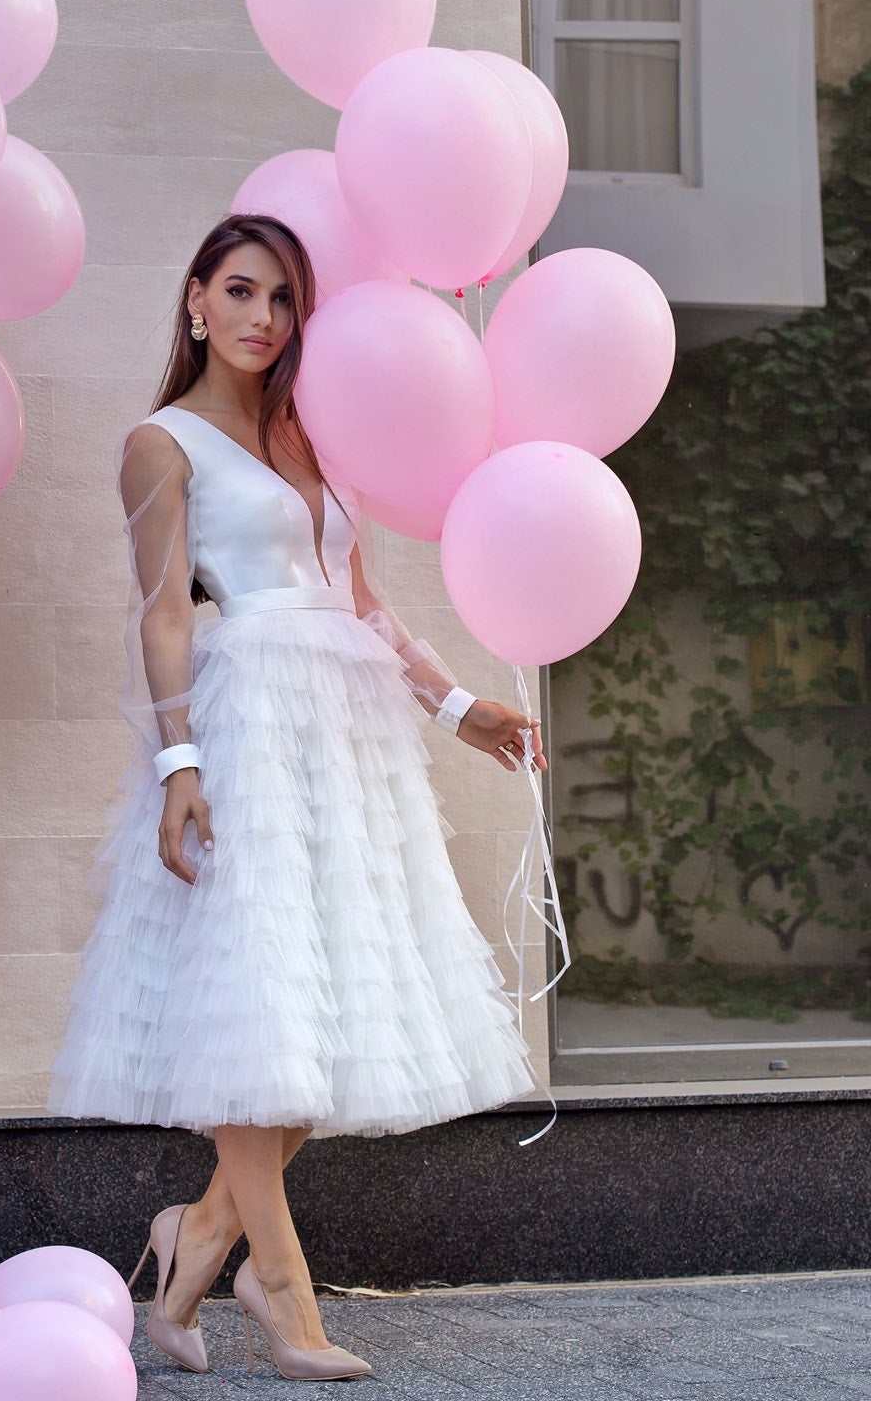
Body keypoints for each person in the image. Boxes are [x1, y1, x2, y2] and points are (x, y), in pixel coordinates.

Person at [45, 214, 548, 1382]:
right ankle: (279, 1286)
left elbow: (360, 602)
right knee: (257, 1006)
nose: (263, 317)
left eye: (282, 299)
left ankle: (189, 1250)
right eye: (241, 290)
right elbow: (164, 611)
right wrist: (178, 765)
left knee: (313, 1027)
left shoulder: (308, 434)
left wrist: (459, 708)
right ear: (195, 301)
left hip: (347, 737)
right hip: (250, 727)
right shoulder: (158, 441)